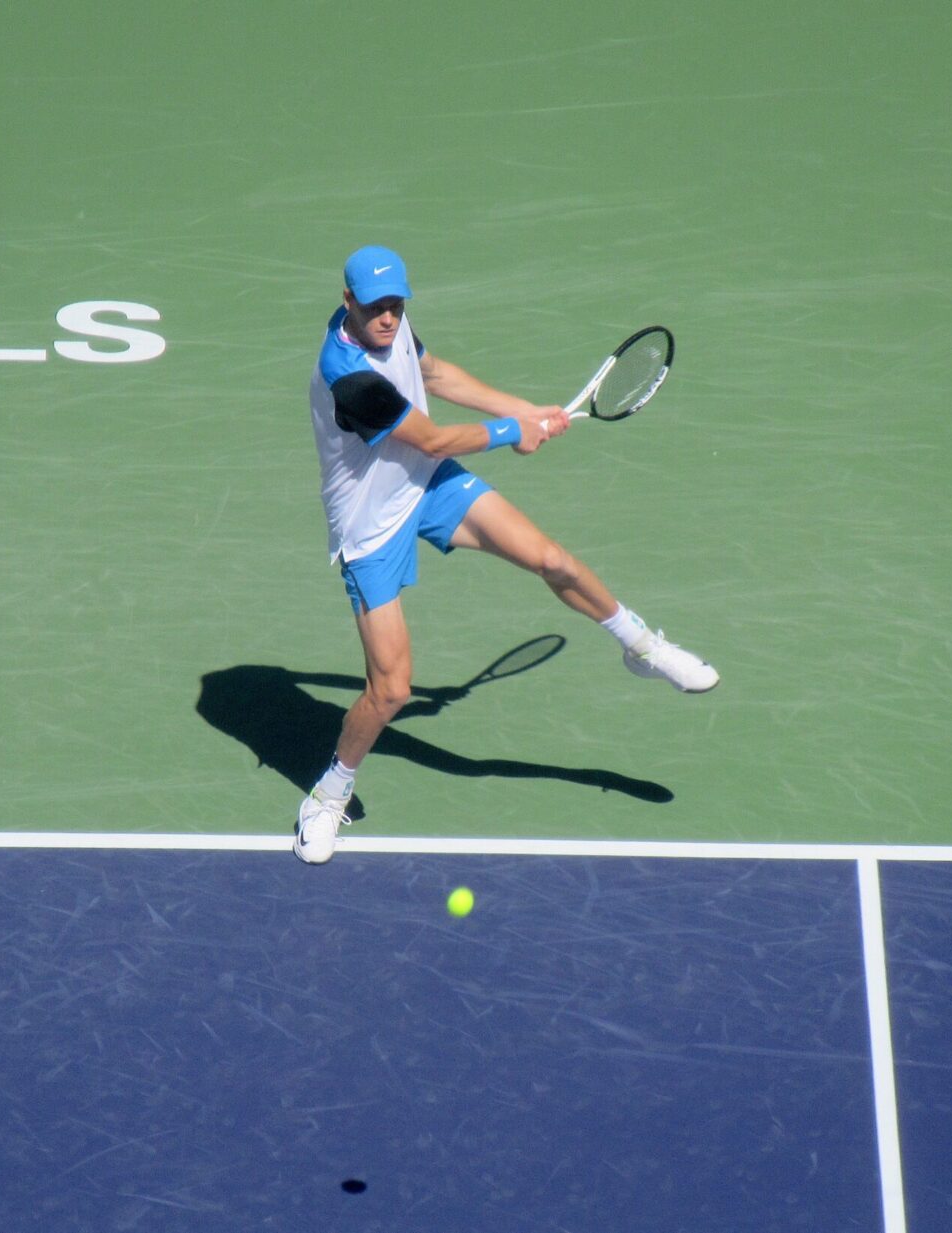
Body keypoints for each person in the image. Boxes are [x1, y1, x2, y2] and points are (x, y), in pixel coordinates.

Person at [295, 245, 717, 864]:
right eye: (376, 308)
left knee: (553, 560)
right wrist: (509, 432)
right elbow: (433, 434)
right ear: (347, 302)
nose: (388, 318)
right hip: (369, 529)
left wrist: (518, 408)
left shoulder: (394, 326)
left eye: (396, 305)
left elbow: (434, 373)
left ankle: (643, 647)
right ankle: (329, 794)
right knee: (390, 691)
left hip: (426, 484)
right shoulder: (349, 376)